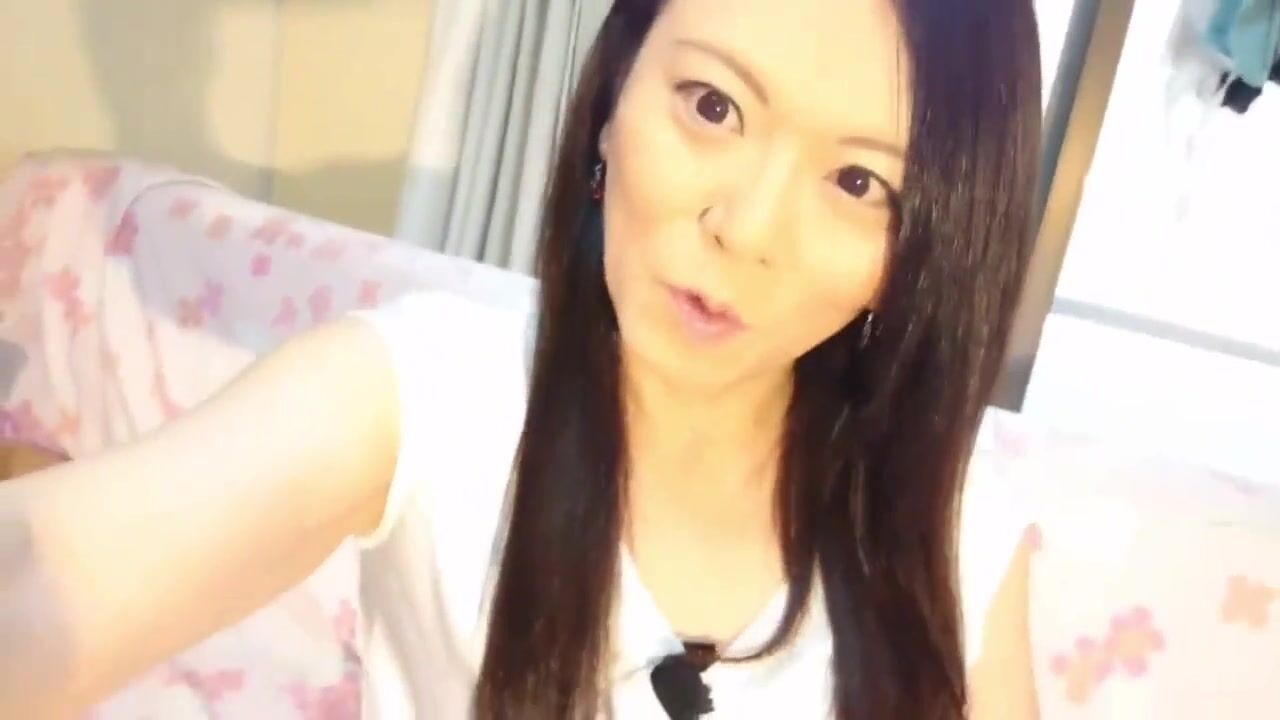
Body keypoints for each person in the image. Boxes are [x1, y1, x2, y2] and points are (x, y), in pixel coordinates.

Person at [0, 0, 1043, 717]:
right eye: (712, 106)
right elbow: (49, 575)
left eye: (858, 184)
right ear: (611, 100)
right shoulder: (430, 391)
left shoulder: (952, 529)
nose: (748, 228)